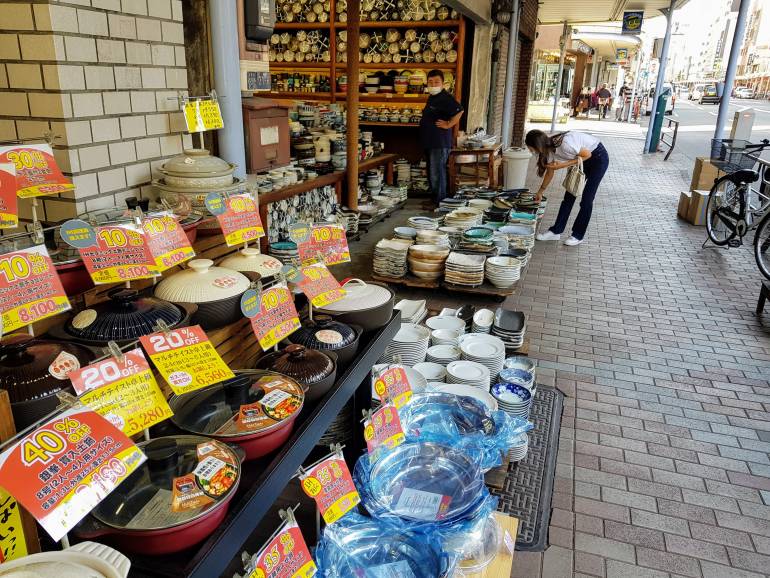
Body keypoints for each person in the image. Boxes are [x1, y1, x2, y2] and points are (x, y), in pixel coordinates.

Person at [524, 129, 609, 246]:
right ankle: (556, 231)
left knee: (587, 200)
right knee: (569, 197)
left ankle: (578, 235)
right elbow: (550, 172)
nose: (531, 151)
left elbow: (587, 154)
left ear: (537, 145)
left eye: (531, 148)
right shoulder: (548, 149)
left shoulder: (565, 144)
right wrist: (540, 192)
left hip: (598, 158)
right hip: (581, 160)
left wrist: (563, 165)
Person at [420, 69, 464, 205]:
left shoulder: (445, 97)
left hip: (439, 142)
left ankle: (440, 202)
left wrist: (449, 124)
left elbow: (459, 110)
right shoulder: (433, 97)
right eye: (430, 82)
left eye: (436, 82)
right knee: (432, 172)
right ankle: (435, 199)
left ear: (443, 83)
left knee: (437, 172)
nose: (433, 85)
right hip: (430, 141)